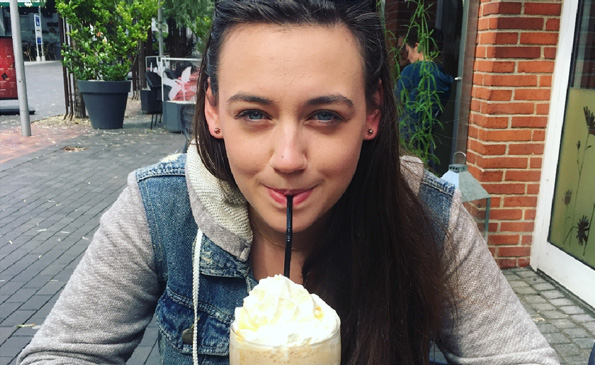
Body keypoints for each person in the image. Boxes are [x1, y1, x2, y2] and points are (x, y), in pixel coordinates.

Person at [18, 1, 558, 364]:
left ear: (372, 112)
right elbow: (62, 351)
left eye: (325, 116)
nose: (288, 158)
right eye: (253, 114)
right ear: (212, 111)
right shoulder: (159, 208)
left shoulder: (428, 217)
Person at [396, 27, 454, 150]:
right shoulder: (443, 76)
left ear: (417, 46)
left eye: (407, 49)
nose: (407, 56)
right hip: (427, 138)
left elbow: (395, 103)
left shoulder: (412, 71)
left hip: (406, 136)